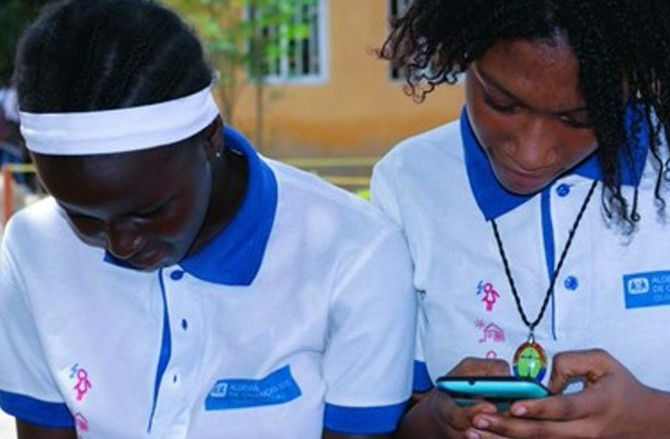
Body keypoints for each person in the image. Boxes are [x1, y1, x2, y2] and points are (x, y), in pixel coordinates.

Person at [0, 1, 416, 438]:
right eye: (82, 215)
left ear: (209, 137)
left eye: (149, 212)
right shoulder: (35, 248)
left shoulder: (356, 255)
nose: (122, 243)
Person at [374, 1, 670, 437]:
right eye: (501, 102)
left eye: (580, 117)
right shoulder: (409, 182)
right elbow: (388, 418)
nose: (530, 154)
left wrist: (648, 419)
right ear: (466, 55)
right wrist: (438, 421)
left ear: (632, 78)